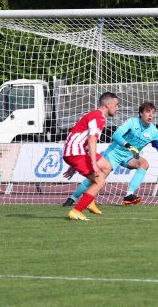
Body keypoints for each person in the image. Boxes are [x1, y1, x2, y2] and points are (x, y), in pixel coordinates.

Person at [63, 101, 158, 206]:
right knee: (97, 177)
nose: (151, 115)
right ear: (141, 113)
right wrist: (129, 145)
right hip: (114, 153)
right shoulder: (132, 122)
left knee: (144, 164)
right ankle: (73, 198)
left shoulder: (154, 132)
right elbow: (116, 135)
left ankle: (129, 195)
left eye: (153, 113)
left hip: (128, 157)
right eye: (148, 112)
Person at [62, 92, 119, 221]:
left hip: (76, 151)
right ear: (107, 104)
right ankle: (77, 210)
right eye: (116, 105)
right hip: (76, 152)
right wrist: (93, 164)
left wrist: (73, 165)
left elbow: (79, 135)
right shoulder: (98, 117)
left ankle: (89, 200)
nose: (117, 108)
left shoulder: (94, 115)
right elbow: (91, 140)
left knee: (107, 166)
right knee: (99, 181)